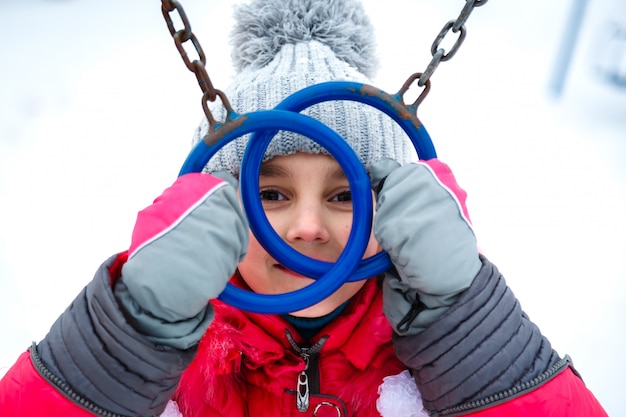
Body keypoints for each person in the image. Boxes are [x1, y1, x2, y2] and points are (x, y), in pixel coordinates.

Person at [0, 0, 609, 416]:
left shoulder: (435, 362)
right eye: (271, 194)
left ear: (395, 214)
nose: (310, 228)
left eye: (344, 195)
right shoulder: (170, 362)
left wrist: (467, 325)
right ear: (218, 213)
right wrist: (127, 335)